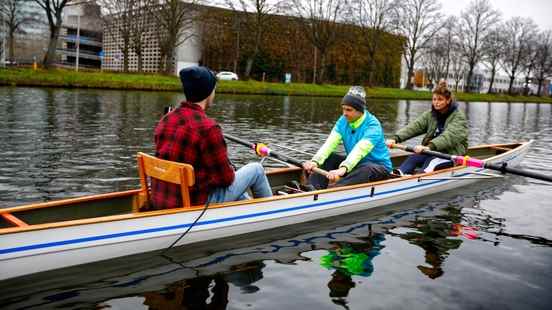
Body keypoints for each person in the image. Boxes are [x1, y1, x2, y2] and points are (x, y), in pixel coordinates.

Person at [152, 66, 272, 209]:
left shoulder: (166, 119)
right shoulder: (209, 128)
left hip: (164, 198)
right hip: (196, 203)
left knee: (239, 193)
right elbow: (226, 179)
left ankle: (247, 209)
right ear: (209, 93)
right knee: (256, 169)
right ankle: (272, 214)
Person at [303, 86, 392, 189]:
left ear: (360, 111)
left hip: (379, 168)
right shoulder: (343, 121)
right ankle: (311, 189)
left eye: (349, 110)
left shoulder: (373, 126)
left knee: (367, 168)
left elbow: (360, 149)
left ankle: (334, 191)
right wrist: (315, 161)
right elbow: (329, 143)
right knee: (329, 157)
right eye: (343, 109)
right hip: (355, 166)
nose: (344, 113)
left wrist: (343, 168)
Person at [386, 80, 468, 175]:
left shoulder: (459, 117)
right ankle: (397, 174)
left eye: (440, 99)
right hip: (431, 151)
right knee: (413, 158)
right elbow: (414, 127)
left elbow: (449, 137)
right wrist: (395, 138)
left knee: (431, 163)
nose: (436, 103)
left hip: (450, 154)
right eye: (434, 99)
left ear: (448, 100)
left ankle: (418, 177)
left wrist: (429, 147)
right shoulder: (430, 115)